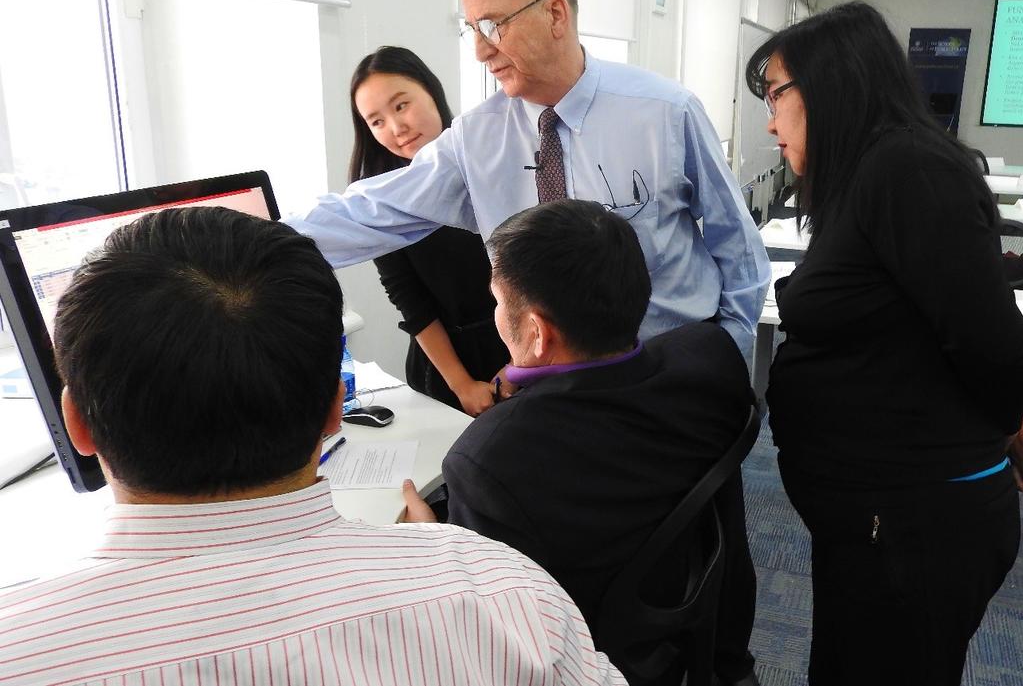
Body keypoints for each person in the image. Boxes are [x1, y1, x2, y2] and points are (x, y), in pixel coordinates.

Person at [0, 206, 624, 686]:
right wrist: (428, 555)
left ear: (76, 425)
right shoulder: (507, 593)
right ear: (335, 408)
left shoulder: (21, 651)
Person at [746, 1, 1023, 686]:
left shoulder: (908, 171)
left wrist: (1005, 415)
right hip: (879, 519)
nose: (770, 120)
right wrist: (1008, 419)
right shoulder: (866, 177)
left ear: (834, 82)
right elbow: (921, 329)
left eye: (776, 94)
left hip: (915, 525)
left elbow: (998, 347)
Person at [285, 0, 769, 362]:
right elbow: (372, 210)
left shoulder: (664, 112)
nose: (479, 50)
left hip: (670, 362)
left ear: (555, 13)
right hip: (555, 384)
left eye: (492, 26)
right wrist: (247, 238)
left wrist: (729, 349)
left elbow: (735, 239)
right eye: (470, 28)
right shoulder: (476, 139)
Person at [402, 199, 759, 686]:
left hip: (590, 660)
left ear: (537, 332)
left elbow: (485, 632)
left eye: (499, 302)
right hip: (700, 636)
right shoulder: (708, 355)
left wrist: (433, 543)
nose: (495, 315)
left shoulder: (489, 460)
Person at [349, 46, 508, 416]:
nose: (395, 127)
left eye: (401, 105)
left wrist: (524, 361)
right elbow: (411, 302)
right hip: (448, 369)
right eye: (376, 121)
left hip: (525, 346)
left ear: (431, 91)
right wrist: (463, 385)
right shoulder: (381, 196)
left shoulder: (489, 157)